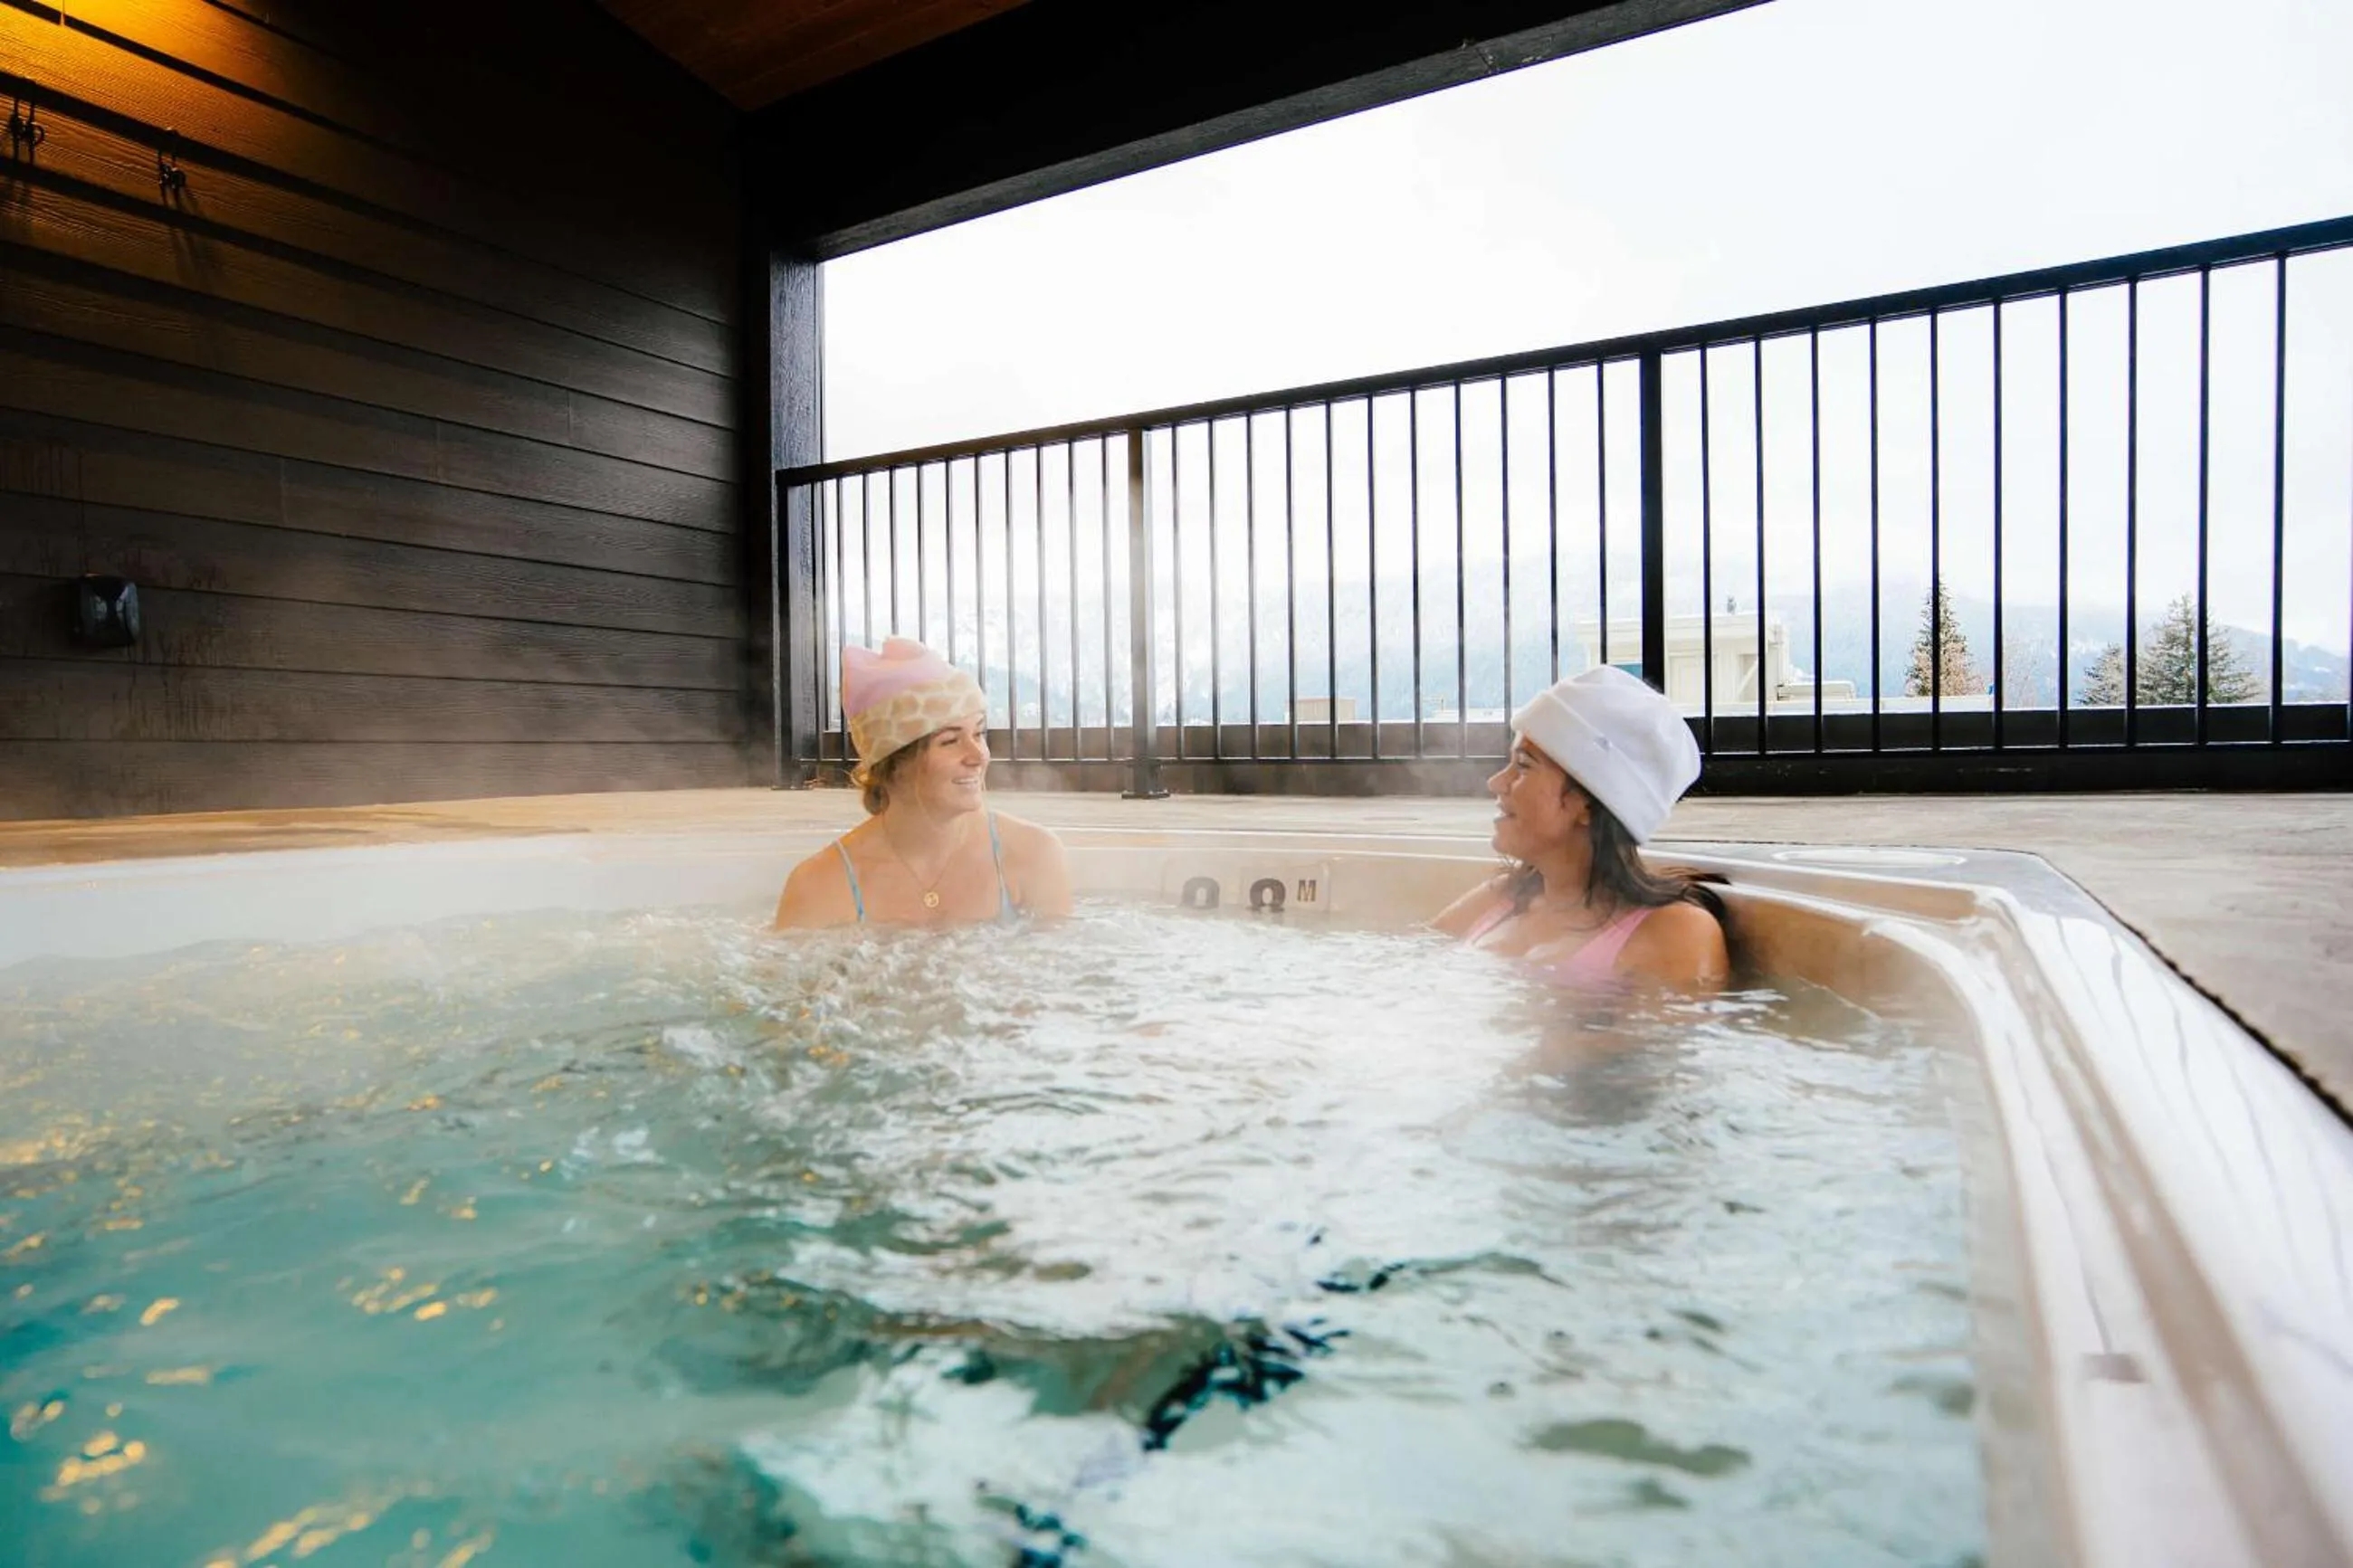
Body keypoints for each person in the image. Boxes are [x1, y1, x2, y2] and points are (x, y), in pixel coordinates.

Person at [1433, 666, 1729, 990]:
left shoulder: (1676, 932)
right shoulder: (1506, 896)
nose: (1496, 782)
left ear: (1589, 802)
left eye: (1523, 766)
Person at [773, 638, 1073, 929]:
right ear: (894, 764)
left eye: (978, 734)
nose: (978, 756)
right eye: (950, 741)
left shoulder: (1032, 854)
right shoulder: (821, 886)